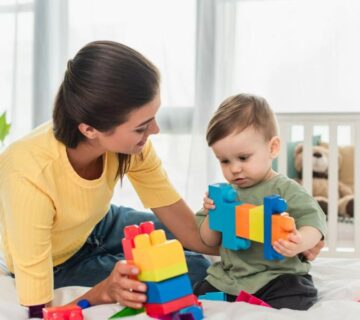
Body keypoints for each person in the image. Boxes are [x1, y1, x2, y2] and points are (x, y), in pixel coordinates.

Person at [0, 41, 215, 318]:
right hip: (56, 262)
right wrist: (103, 291)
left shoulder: (131, 148)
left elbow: (192, 233)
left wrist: (256, 242)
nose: (155, 130)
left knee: (192, 243)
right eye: (141, 126)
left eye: (152, 118)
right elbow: (38, 312)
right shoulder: (28, 174)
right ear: (90, 130)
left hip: (98, 223)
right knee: (196, 270)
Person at [194, 93, 327, 310]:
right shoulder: (224, 193)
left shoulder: (286, 188)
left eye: (243, 158)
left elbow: (315, 222)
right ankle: (237, 302)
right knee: (200, 293)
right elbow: (208, 240)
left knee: (296, 294)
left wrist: (299, 242)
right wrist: (212, 215)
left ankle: (258, 304)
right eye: (224, 161)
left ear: (272, 148)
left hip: (276, 276)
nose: (234, 168)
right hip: (232, 279)